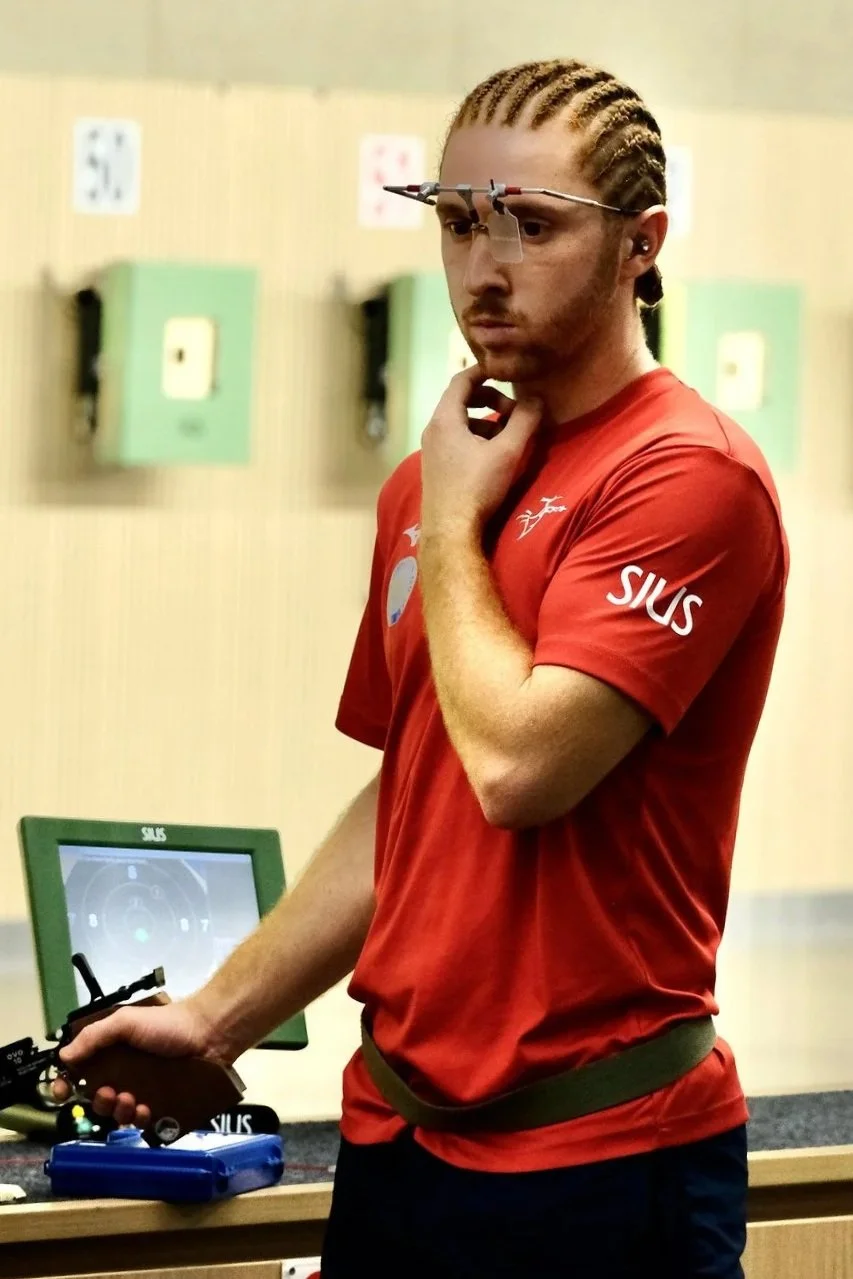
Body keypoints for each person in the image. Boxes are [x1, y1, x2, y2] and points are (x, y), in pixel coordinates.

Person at [54, 57, 788, 1278]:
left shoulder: (686, 477)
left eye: (534, 226)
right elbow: (416, 792)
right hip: (401, 1145)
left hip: (605, 1162)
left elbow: (514, 768)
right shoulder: (436, 479)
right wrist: (212, 1017)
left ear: (639, 246)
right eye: (456, 223)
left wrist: (452, 521)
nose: (483, 267)